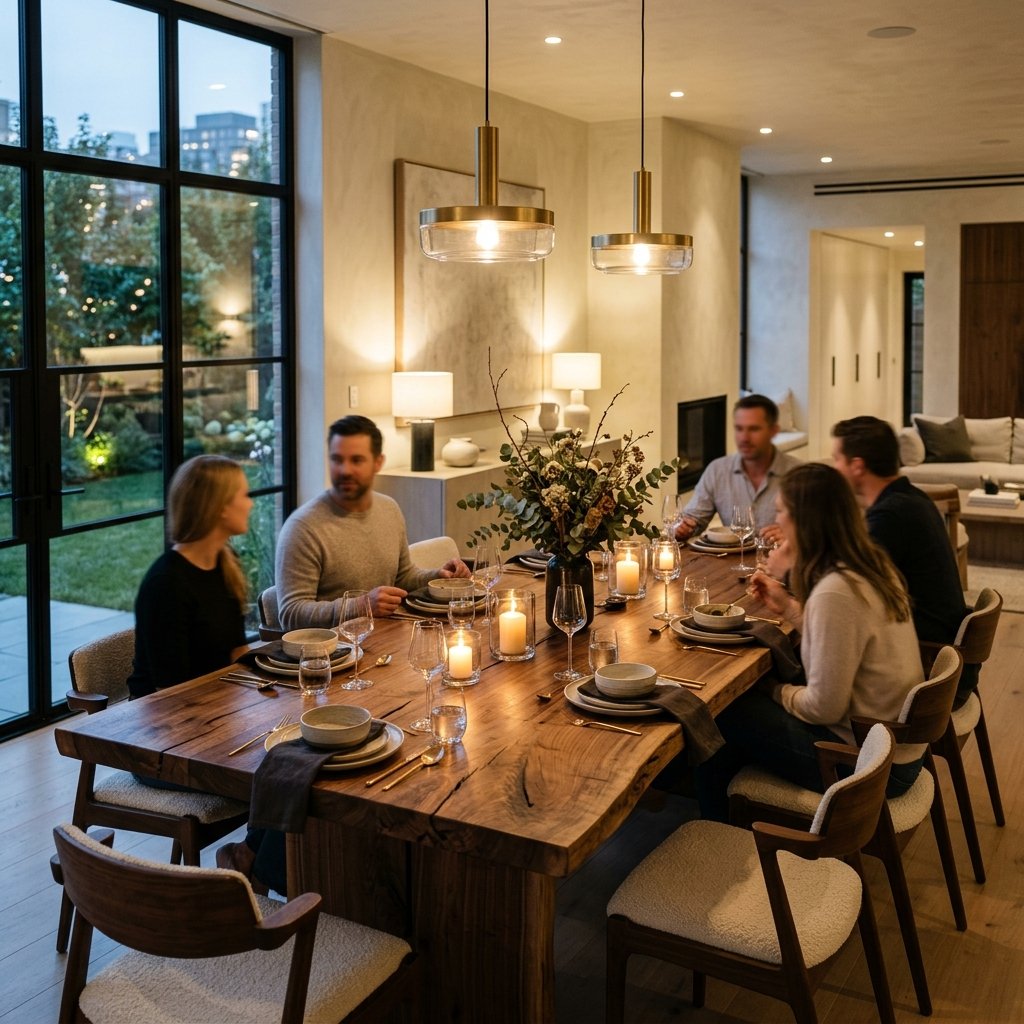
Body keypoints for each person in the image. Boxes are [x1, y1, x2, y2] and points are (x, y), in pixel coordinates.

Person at [695, 462, 925, 822]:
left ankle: (712, 829)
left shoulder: (835, 592)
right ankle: (735, 803)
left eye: (783, 510)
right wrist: (788, 606)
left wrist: (773, 690)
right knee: (748, 703)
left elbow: (823, 709)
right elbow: (842, 640)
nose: (777, 517)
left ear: (804, 522)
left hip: (866, 765)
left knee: (721, 712)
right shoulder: (868, 564)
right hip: (892, 746)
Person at [275, 415, 470, 628]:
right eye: (337, 460)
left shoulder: (389, 508)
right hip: (332, 655)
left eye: (356, 460)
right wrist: (360, 606)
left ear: (378, 462)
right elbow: (290, 615)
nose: (345, 470)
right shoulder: (303, 528)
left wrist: (437, 578)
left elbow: (402, 577)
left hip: (384, 639)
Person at [831, 415, 968, 646]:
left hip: (926, 648)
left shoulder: (891, 516)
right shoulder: (911, 498)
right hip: (940, 636)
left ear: (857, 466)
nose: (834, 468)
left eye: (837, 459)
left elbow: (849, 589)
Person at [127, 455, 252, 699]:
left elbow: (238, 652)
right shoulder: (166, 584)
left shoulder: (226, 563)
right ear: (220, 508)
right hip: (162, 720)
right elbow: (171, 691)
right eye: (245, 496)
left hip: (216, 701)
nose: (251, 504)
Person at [674, 394, 800, 543]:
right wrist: (683, 528)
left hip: (781, 562)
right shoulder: (717, 470)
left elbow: (820, 530)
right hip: (731, 563)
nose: (744, 438)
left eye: (754, 429)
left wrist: (794, 534)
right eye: (739, 429)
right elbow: (693, 519)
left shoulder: (798, 474)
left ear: (774, 431)